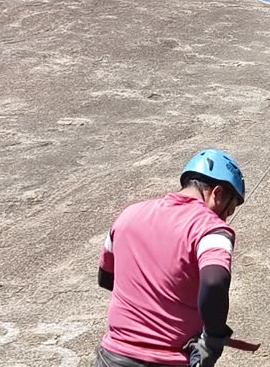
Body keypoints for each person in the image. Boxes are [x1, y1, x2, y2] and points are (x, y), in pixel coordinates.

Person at [96, 150, 246, 367]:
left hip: (113, 356)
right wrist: (212, 339)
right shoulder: (211, 229)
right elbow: (214, 281)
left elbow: (106, 278)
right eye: (229, 210)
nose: (226, 217)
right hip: (169, 359)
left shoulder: (128, 215)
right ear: (218, 193)